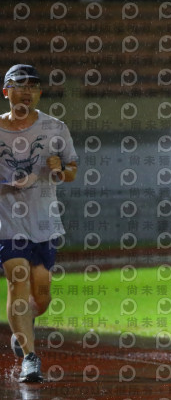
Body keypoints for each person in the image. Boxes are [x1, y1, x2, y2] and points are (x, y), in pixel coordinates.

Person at [0, 64, 78, 382]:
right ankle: (30, 358)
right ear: (6, 91)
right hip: (7, 223)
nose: (27, 91)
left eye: (32, 86)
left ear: (39, 93)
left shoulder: (55, 128)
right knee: (17, 282)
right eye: (19, 85)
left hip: (44, 224)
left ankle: (23, 329)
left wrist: (60, 170)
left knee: (41, 299)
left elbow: (72, 170)